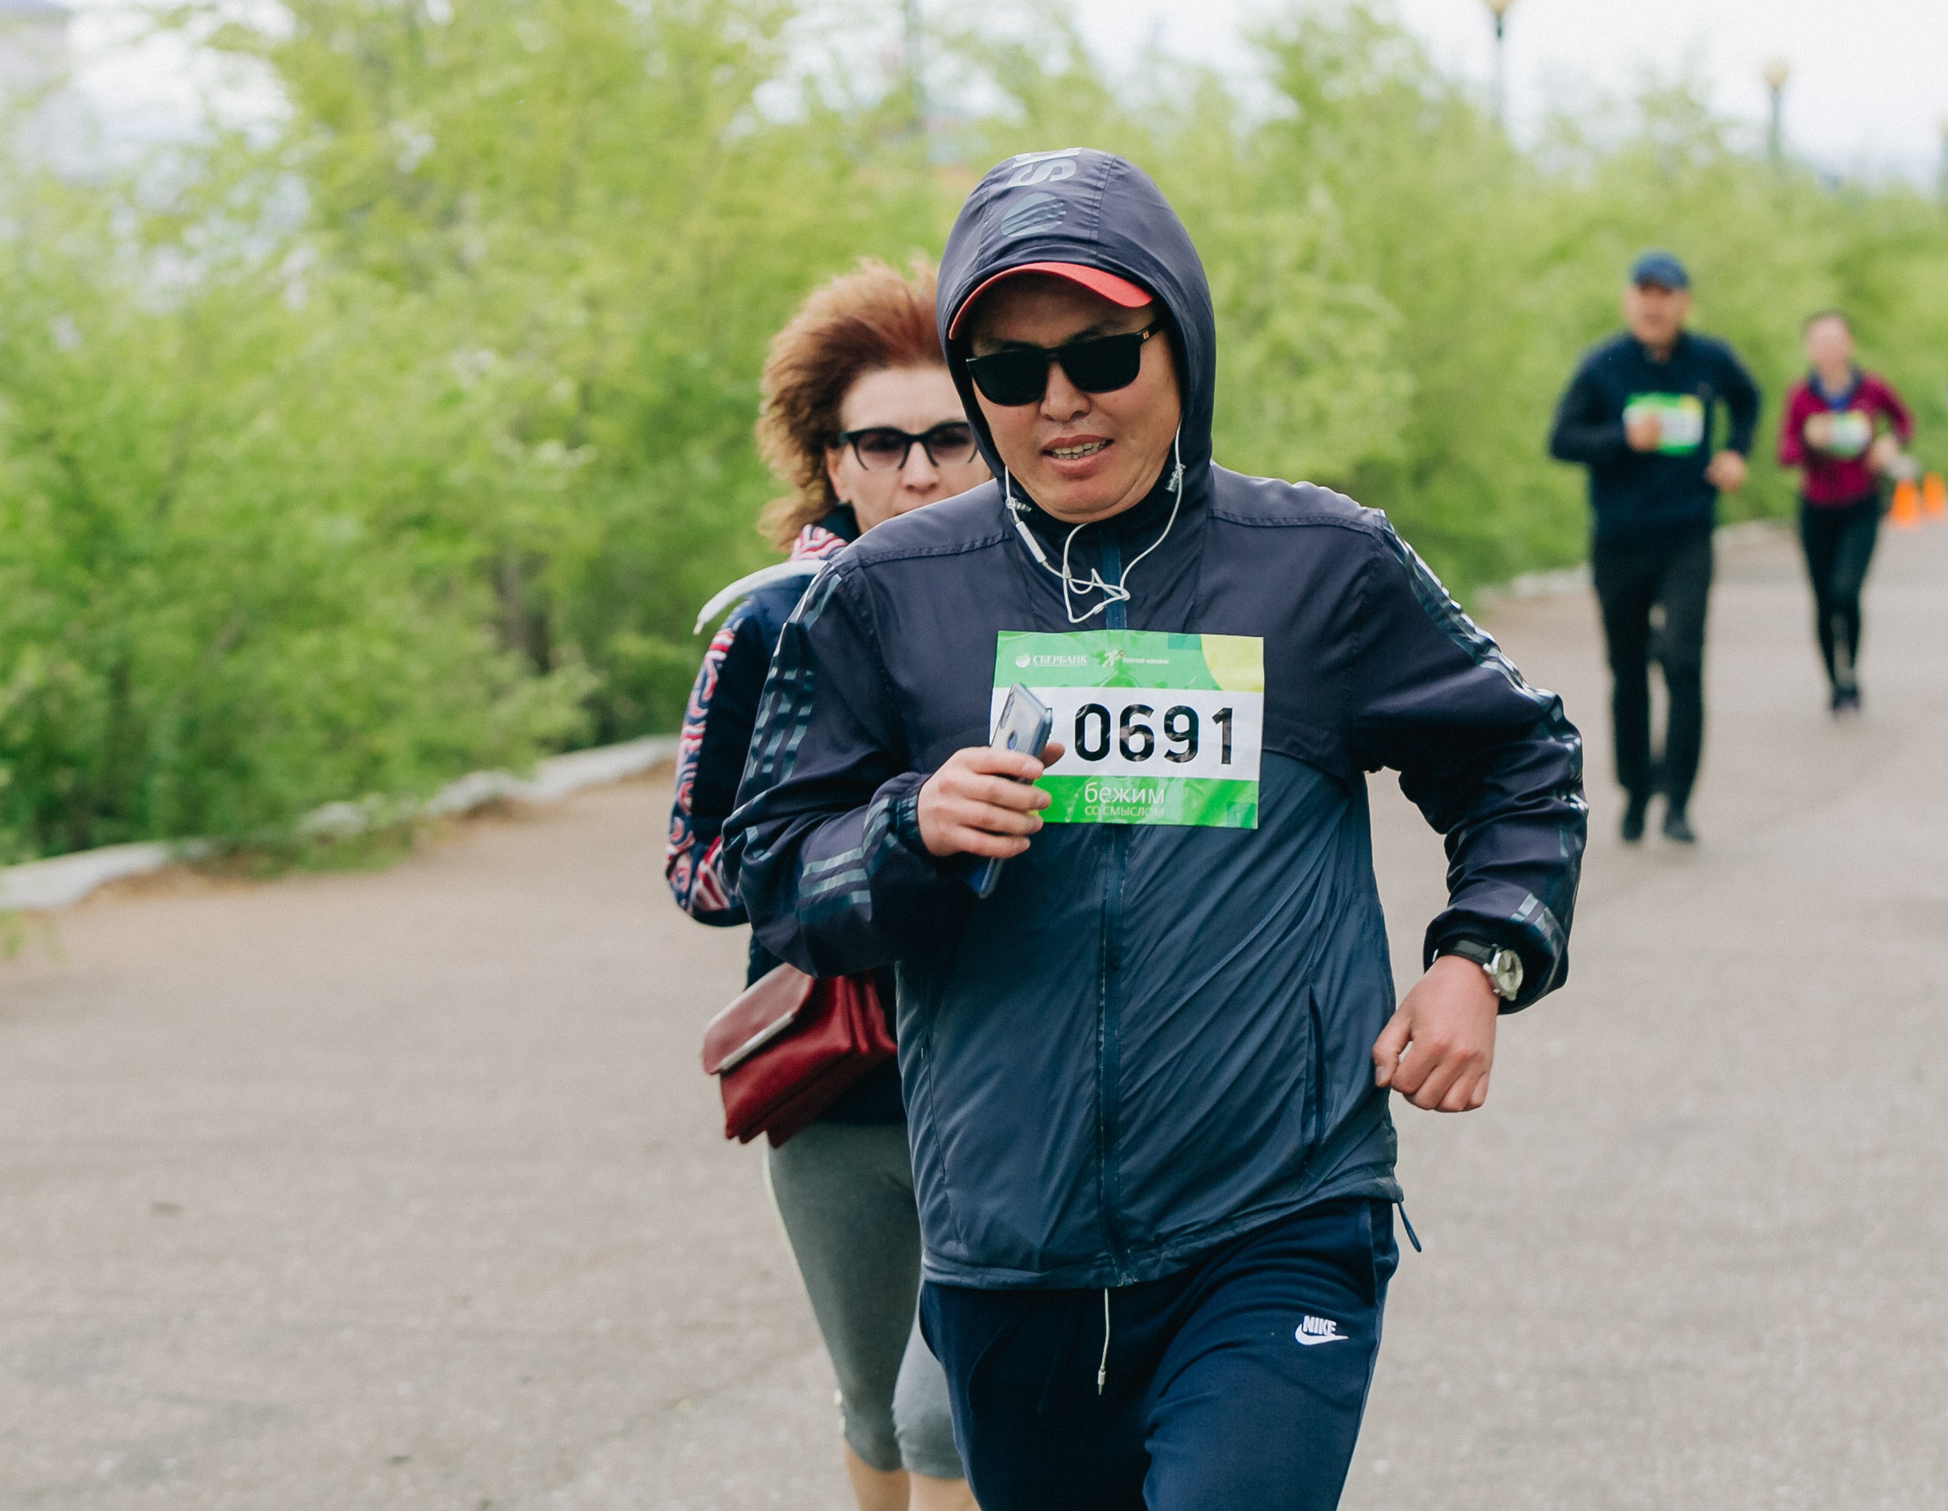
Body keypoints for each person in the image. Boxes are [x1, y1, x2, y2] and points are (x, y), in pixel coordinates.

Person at [723, 150, 1584, 1511]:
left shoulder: (1320, 567)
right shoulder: (890, 598)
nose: (1061, 402)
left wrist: (1483, 956)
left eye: (1103, 354)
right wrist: (908, 828)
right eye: (1009, 374)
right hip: (1013, 1241)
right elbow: (776, 874)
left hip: (1278, 1211)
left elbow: (1519, 759)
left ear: (1178, 343)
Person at [665, 259, 987, 1511]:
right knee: (873, 1406)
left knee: (942, 1415)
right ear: (829, 458)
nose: (919, 471)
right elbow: (699, 870)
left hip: (1014, 1068)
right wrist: (877, 832)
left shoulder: (1058, 615)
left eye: (951, 436)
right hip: (841, 1078)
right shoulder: (769, 626)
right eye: (883, 443)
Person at [1547, 252, 1758, 845]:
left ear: (1683, 302)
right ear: (1628, 301)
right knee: (1628, 668)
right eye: (1643, 292)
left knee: (1684, 659)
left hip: (1687, 533)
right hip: (1619, 538)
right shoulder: (1603, 365)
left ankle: (1679, 802)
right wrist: (1620, 436)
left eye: (1664, 293)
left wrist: (1737, 452)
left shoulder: (1710, 360)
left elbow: (1748, 400)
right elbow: (1561, 439)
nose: (1653, 304)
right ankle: (1637, 792)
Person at [1775, 311, 1913, 713]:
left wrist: (1890, 444)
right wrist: (1808, 439)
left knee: (1846, 591)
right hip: (1816, 509)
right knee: (1822, 599)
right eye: (1819, 341)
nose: (1828, 349)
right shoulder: (1801, 396)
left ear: (1849, 343)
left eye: (1835, 340)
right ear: (1809, 348)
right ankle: (1834, 683)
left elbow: (1903, 420)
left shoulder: (1871, 388)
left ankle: (1851, 669)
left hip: (1861, 505)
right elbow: (1785, 454)